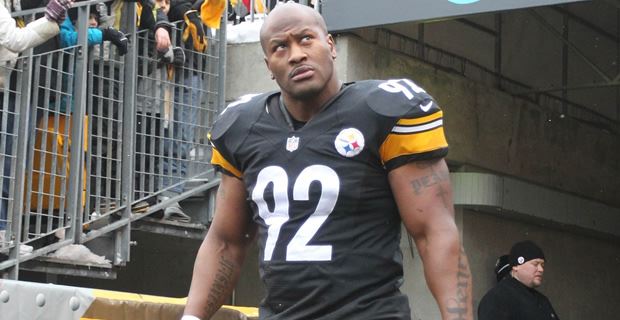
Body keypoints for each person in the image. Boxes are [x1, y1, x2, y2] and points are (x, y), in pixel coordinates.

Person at [183, 2, 472, 320]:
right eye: (281, 47)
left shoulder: (383, 111)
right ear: (268, 65)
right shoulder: (244, 126)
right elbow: (226, 242)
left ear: (330, 45)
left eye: (306, 39)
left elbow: (435, 233)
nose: (296, 54)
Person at [0, 0, 73, 251]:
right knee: (7, 163)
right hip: (9, 85)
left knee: (9, 163)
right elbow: (15, 40)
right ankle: (3, 233)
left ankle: (4, 233)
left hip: (9, 84)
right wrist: (49, 20)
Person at [478, 240, 560, 320]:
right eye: (535, 264)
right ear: (516, 266)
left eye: (542, 265)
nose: (541, 269)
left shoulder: (543, 301)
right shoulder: (497, 298)